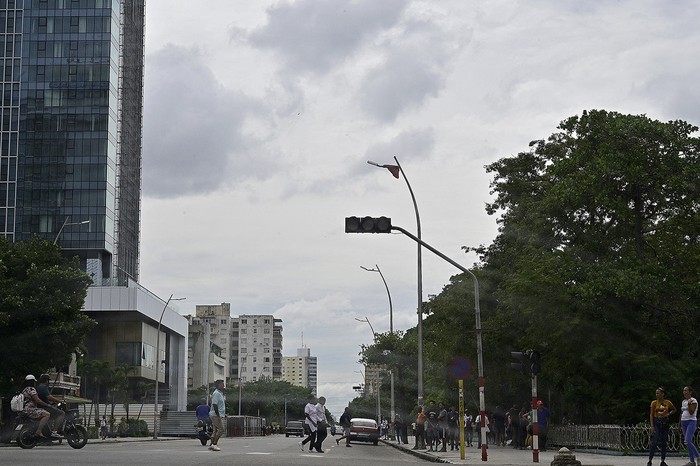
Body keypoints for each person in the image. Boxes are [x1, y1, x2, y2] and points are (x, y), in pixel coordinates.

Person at [20, 374, 60, 439]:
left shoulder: (24, 390)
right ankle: (39, 432)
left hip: (24, 410)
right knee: (47, 414)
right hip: (30, 409)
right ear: (32, 382)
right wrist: (47, 405)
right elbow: (38, 400)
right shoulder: (31, 389)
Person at [648, 387, 676, 466]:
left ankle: (662, 460)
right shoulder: (654, 403)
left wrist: (669, 414)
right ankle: (650, 460)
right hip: (657, 422)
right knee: (655, 442)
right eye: (656, 393)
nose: (657, 395)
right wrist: (652, 425)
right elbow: (651, 414)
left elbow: (674, 409)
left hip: (665, 422)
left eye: (658, 393)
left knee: (664, 442)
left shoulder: (667, 402)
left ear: (662, 394)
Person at [680, 386, 699, 466]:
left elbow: (691, 412)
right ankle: (692, 461)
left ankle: (698, 456)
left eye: (686, 390)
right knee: (688, 442)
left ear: (690, 392)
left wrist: (689, 404)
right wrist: (679, 425)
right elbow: (682, 414)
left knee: (688, 440)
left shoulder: (693, 400)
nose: (684, 392)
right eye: (683, 390)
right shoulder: (683, 401)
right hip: (683, 421)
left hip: (691, 421)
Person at [208, 379, 226, 451]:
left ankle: (212, 444)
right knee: (221, 429)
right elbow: (215, 404)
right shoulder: (216, 393)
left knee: (215, 430)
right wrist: (218, 415)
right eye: (222, 384)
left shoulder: (220, 393)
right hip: (215, 414)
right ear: (218, 385)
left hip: (218, 414)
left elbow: (220, 405)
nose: (223, 386)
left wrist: (223, 414)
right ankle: (214, 444)